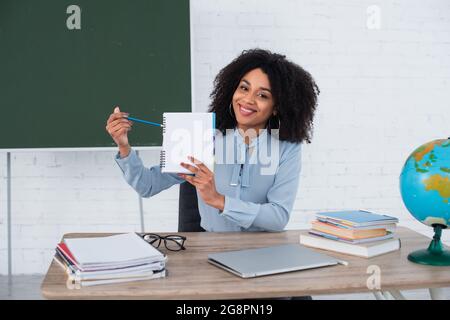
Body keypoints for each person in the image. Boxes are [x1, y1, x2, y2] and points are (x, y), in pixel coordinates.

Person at [106, 48, 319, 233]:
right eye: (244, 88)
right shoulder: (202, 136)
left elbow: (278, 217)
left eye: (262, 95)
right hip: (210, 249)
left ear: (277, 106)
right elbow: (147, 186)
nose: (247, 99)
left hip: (264, 249)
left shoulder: (287, 148)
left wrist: (219, 200)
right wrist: (124, 147)